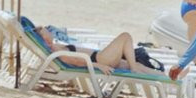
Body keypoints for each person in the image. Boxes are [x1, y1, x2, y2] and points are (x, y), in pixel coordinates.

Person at [35, 26, 163, 75]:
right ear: (45, 38)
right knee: (125, 36)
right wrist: (99, 66)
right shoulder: (56, 51)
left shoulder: (56, 47)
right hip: (99, 60)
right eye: (46, 32)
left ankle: (165, 78)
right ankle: (134, 68)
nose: (49, 31)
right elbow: (77, 61)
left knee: (137, 65)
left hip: (99, 58)